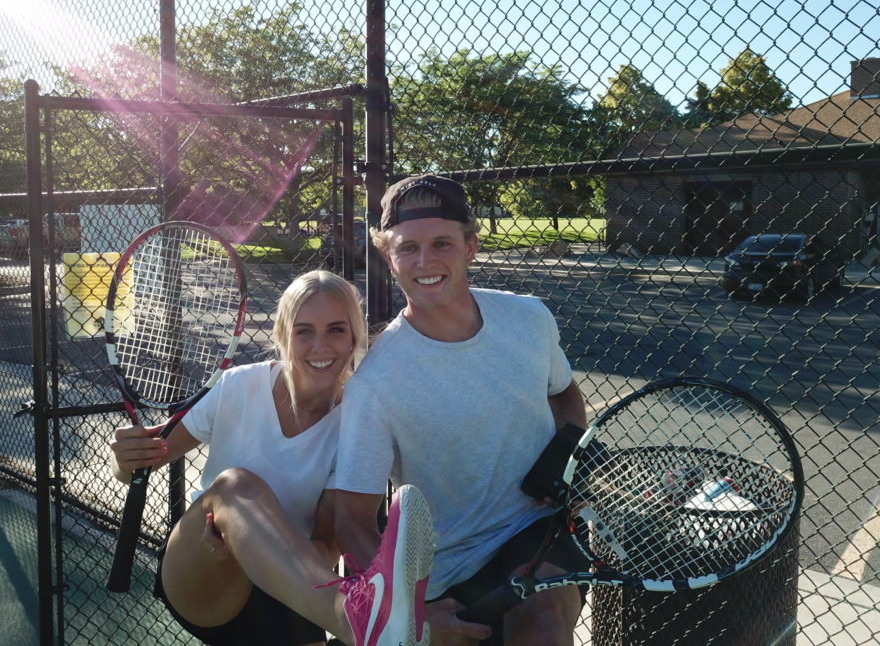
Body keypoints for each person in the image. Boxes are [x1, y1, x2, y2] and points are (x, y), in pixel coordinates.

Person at [109, 270, 435, 646]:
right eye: (303, 331)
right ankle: (363, 622)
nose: (320, 346)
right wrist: (124, 459)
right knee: (235, 485)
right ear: (282, 335)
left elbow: (326, 543)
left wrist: (260, 551)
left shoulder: (357, 424)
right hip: (204, 562)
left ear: (353, 339)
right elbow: (144, 460)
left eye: (335, 330)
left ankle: (368, 622)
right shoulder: (237, 385)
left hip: (288, 587)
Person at [334, 176, 589, 646]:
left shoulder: (530, 318)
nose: (425, 261)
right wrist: (410, 612)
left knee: (541, 618)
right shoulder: (374, 383)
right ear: (389, 259)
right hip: (447, 572)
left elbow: (565, 396)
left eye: (442, 243)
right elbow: (350, 518)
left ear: (470, 247)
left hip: (537, 529)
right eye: (408, 248)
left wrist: (565, 466)